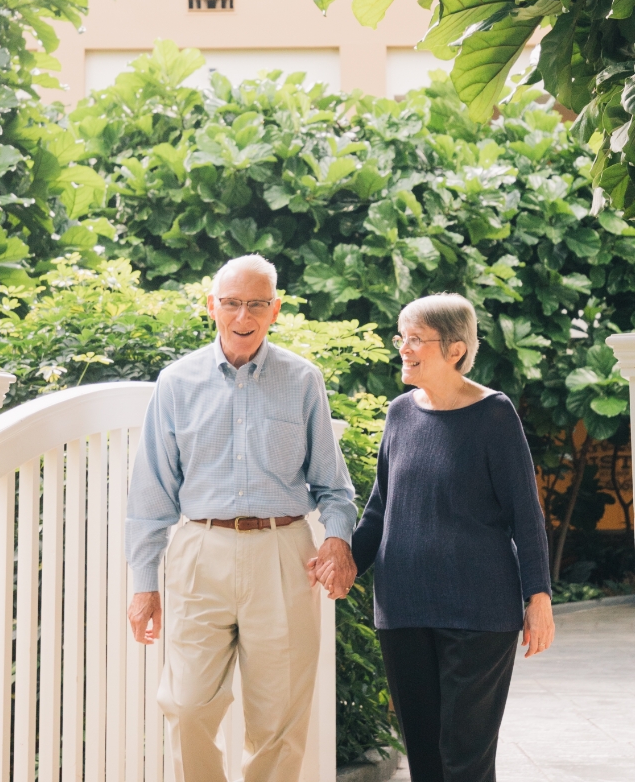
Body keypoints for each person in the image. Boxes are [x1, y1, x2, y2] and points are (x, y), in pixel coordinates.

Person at [124, 254, 357, 782]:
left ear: (274, 309)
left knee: (278, 721)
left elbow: (334, 488)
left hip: (283, 553)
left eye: (256, 303)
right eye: (231, 303)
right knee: (185, 705)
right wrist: (143, 584)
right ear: (212, 307)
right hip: (200, 553)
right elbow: (150, 498)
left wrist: (338, 540)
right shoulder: (176, 383)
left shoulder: (302, 380)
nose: (242, 316)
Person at [316, 292, 554, 782]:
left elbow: (525, 515)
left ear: (456, 350)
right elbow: (381, 508)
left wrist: (539, 596)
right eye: (401, 337)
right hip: (403, 610)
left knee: (464, 758)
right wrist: (345, 561)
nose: (403, 347)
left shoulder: (494, 415)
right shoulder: (401, 413)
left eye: (417, 339)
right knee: (424, 757)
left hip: (480, 613)